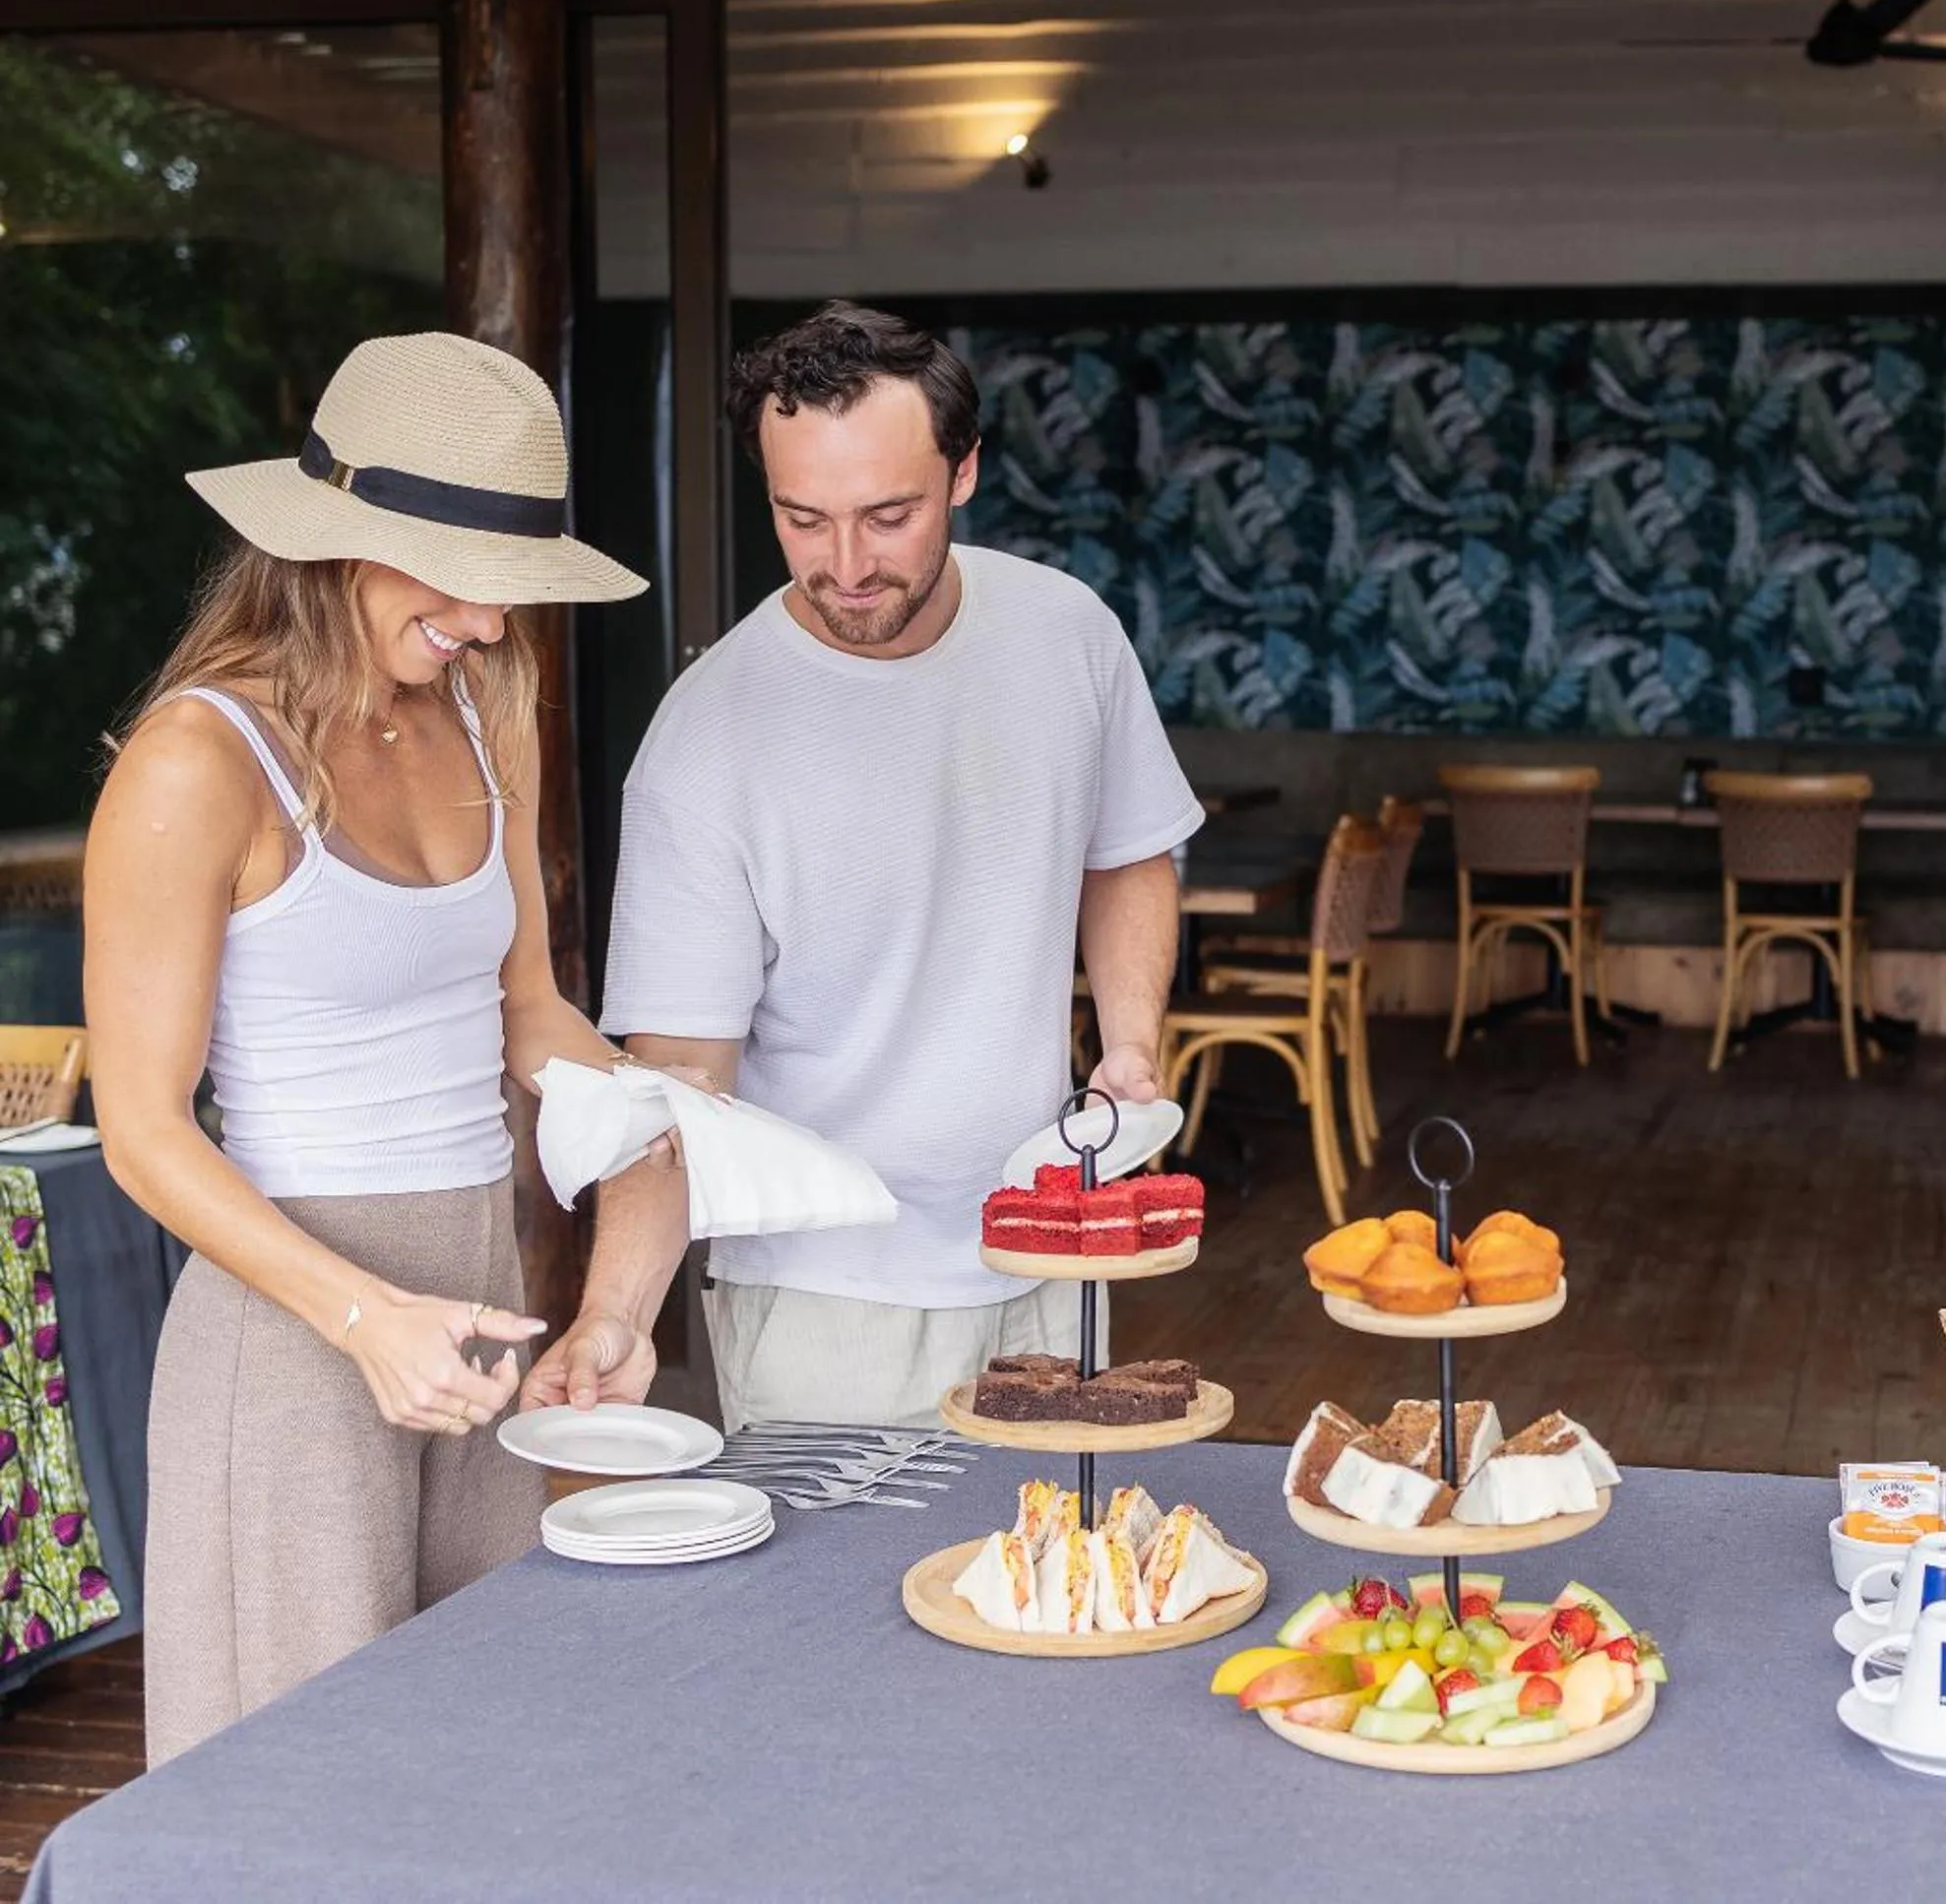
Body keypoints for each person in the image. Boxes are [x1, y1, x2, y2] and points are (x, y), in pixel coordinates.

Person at [87, 333, 654, 1764]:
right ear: (333, 545)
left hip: (474, 1297)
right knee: (301, 1794)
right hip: (289, 1335)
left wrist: (657, 1143)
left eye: (506, 584)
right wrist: (358, 1317)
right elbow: (144, 1130)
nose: (483, 617)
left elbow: (530, 1013)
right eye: (451, 575)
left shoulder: (489, 703)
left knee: (469, 1763)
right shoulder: (197, 763)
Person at [522, 301, 1202, 1428]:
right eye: (802, 519)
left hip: (1049, 1259)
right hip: (822, 1302)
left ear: (965, 469)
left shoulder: (1066, 632)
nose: (846, 565)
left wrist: (1130, 1042)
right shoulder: (708, 737)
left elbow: (1126, 852)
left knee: (1050, 1598)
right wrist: (614, 1312)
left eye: (888, 515)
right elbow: (678, 1083)